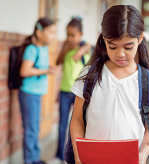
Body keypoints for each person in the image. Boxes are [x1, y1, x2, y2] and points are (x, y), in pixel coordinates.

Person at [69, 5, 149, 164]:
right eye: (112, 46)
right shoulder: (89, 76)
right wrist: (79, 157)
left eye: (128, 47)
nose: (120, 54)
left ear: (140, 39)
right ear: (104, 39)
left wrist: (143, 154)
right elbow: (77, 119)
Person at [49, 17, 92, 164]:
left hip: (79, 93)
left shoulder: (85, 48)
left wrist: (81, 50)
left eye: (73, 35)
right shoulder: (67, 47)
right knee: (62, 124)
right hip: (64, 91)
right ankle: (60, 156)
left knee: (81, 123)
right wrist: (65, 48)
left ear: (81, 34)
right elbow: (58, 62)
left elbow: (89, 45)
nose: (70, 38)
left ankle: (79, 155)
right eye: (67, 34)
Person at [19, 18, 57, 164]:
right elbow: (25, 71)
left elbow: (39, 68)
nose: (54, 36)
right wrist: (47, 70)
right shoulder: (32, 49)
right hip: (29, 94)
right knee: (31, 129)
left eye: (55, 32)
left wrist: (49, 69)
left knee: (35, 128)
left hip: (37, 94)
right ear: (39, 32)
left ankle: (34, 157)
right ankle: (30, 160)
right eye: (51, 32)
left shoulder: (44, 49)